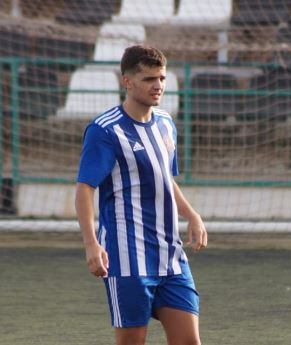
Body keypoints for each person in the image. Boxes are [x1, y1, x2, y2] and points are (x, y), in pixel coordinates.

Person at [75, 44, 208, 345]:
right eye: (149, 79)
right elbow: (85, 188)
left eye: (161, 78)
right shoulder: (105, 130)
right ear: (128, 82)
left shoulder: (166, 124)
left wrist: (193, 215)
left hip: (170, 254)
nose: (158, 85)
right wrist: (91, 244)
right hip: (126, 256)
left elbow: (163, 178)